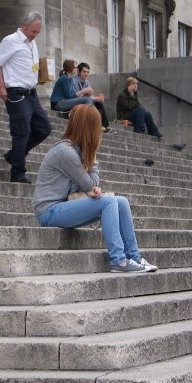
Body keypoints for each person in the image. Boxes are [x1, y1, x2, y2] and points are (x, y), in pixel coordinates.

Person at [33, 105, 157, 273]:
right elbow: (90, 185)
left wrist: (91, 160)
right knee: (108, 202)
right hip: (49, 212)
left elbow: (92, 185)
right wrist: (94, 158)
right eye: (97, 126)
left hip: (62, 207)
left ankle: (134, 257)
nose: (100, 130)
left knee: (121, 201)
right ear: (88, 127)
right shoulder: (65, 152)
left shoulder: (77, 150)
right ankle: (119, 261)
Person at [0, 11, 53, 183]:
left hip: (31, 93)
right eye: (33, 31)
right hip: (16, 93)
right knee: (22, 132)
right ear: (24, 25)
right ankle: (17, 172)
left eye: (38, 32)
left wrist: (38, 77)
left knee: (44, 128)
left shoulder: (32, 44)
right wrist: (1, 86)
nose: (35, 35)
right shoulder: (11, 41)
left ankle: (14, 155)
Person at [74, 63, 111, 131]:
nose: (86, 74)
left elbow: (90, 96)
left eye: (88, 72)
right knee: (94, 101)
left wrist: (97, 98)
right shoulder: (74, 80)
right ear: (79, 72)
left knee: (99, 103)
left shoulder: (87, 82)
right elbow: (75, 96)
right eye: (84, 72)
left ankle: (104, 125)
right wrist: (90, 95)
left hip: (86, 102)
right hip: (76, 103)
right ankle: (94, 124)